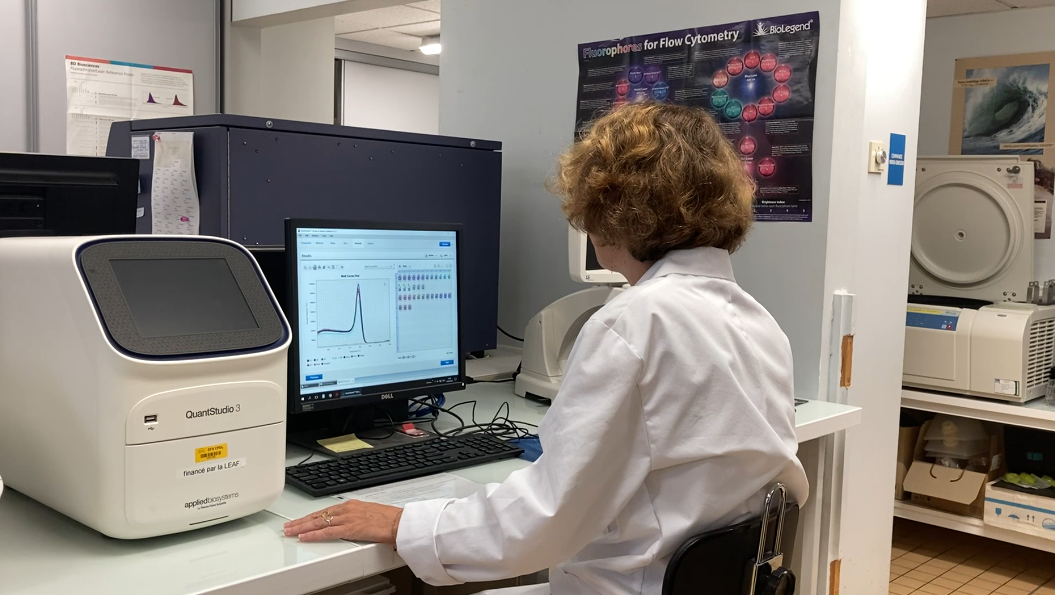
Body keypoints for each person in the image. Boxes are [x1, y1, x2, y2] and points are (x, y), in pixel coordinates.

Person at [284, 103, 809, 595]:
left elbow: (543, 519)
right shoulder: (755, 319)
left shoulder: (634, 323)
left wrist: (405, 523)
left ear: (614, 211)